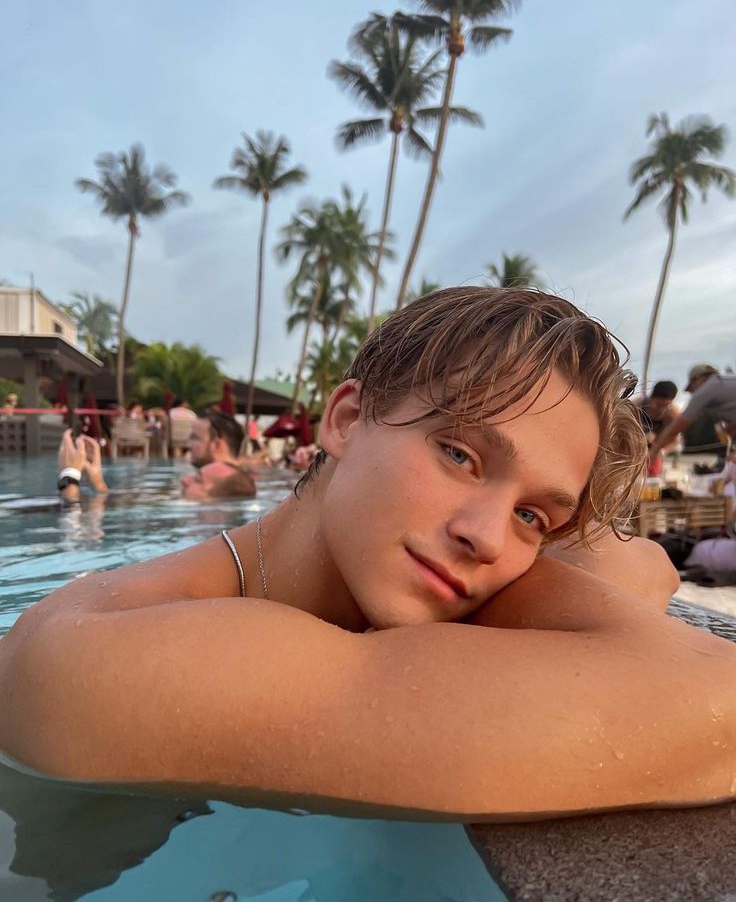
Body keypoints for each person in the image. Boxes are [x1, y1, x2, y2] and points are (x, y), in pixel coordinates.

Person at [1, 287, 735, 823]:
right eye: (458, 453)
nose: (485, 537)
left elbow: (636, 564)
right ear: (348, 420)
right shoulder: (104, 650)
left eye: (531, 515)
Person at [650, 365, 736, 464]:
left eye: (692, 390)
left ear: (697, 380)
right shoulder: (725, 385)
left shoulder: (708, 387)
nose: (694, 393)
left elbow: (676, 428)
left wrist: (655, 450)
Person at [181, 410, 256, 500]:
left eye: (195, 438)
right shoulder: (248, 480)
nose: (187, 445)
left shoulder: (243, 486)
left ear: (216, 444)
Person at [634, 380, 680, 476]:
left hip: (655, 451)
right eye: (658, 405)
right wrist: (640, 438)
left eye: (665, 406)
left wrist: (662, 451)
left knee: (653, 479)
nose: (660, 409)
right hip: (634, 448)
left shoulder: (673, 413)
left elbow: (675, 442)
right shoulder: (637, 405)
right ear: (651, 398)